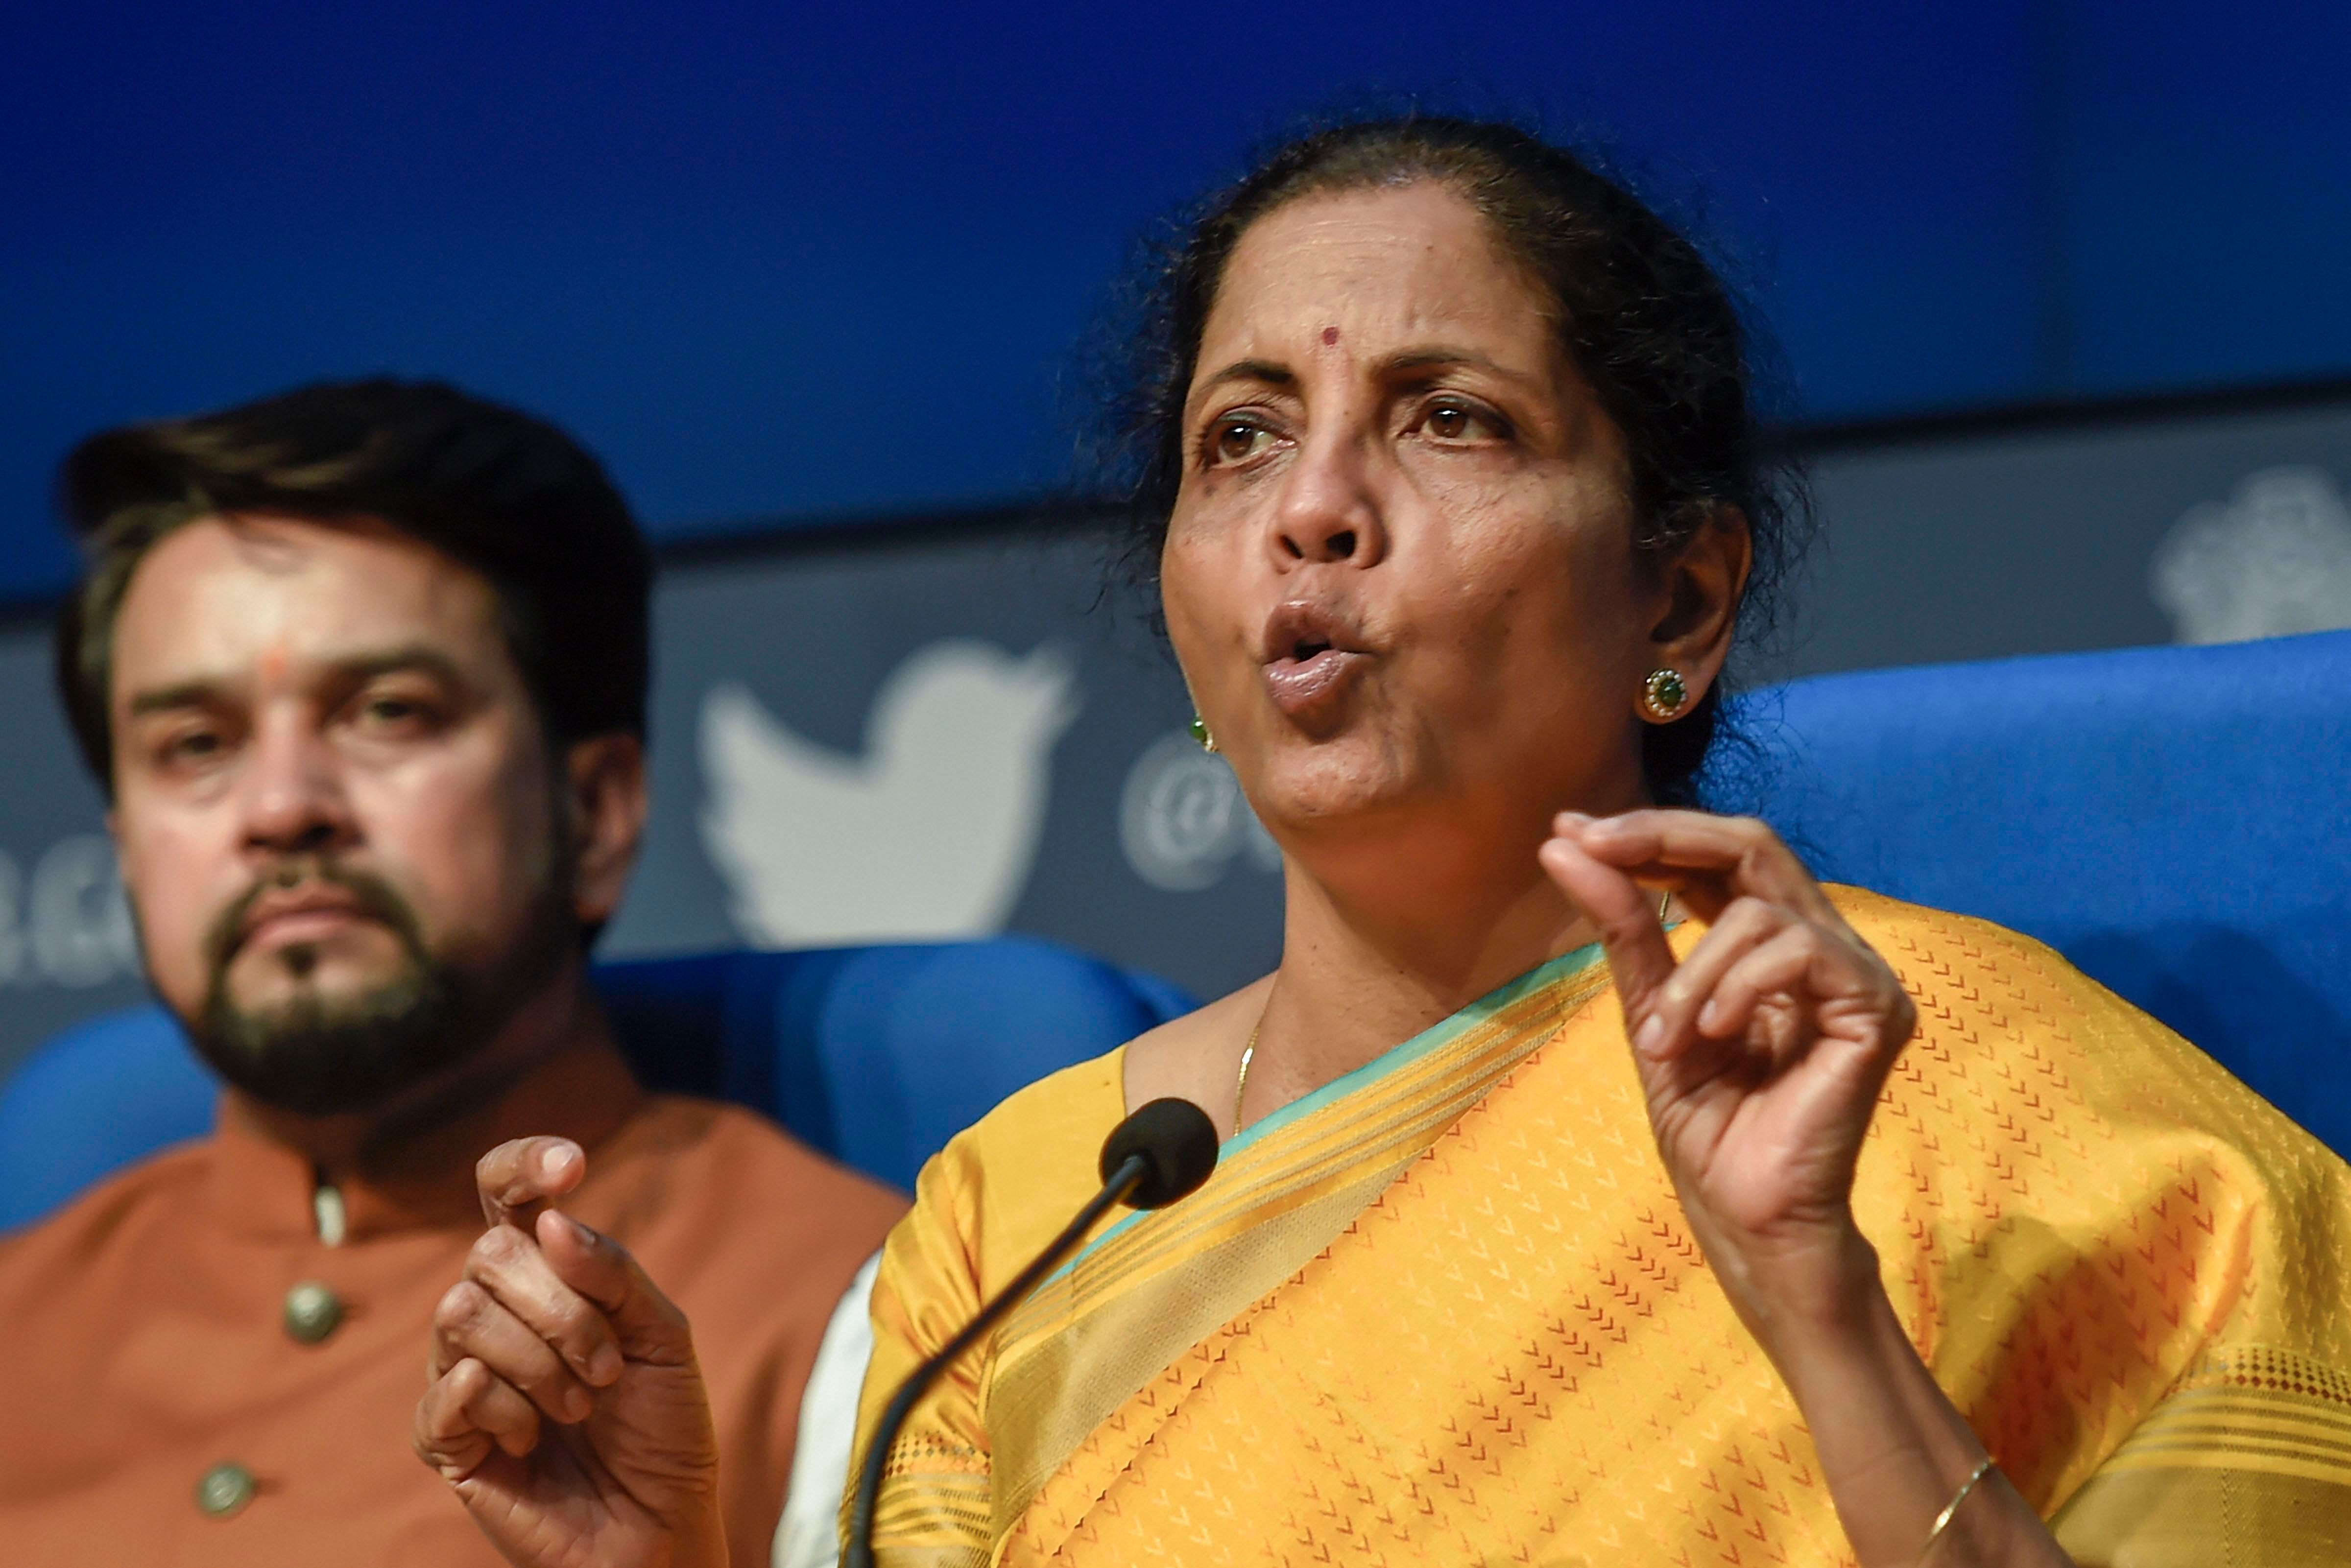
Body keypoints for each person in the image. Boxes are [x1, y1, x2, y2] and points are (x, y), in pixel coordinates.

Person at [416, 119, 2351, 1568]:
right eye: (1241, 436)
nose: (1314, 509)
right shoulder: (1026, 1218)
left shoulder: (2000, 1109)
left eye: (1451, 420)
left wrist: (1823, 1312)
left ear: (1679, 598)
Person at [0, 380, 906, 1567]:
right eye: (197, 746)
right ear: (125, 847)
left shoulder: (869, 1313)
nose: (281, 809)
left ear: (594, 813)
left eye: (386, 711)